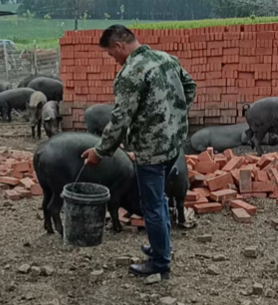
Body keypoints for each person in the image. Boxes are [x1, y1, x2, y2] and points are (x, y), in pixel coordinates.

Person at [81, 25, 196, 278]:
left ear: (120, 46)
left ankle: (160, 263)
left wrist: (100, 152)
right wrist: (174, 116)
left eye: (112, 54)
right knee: (161, 199)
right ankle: (160, 247)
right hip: (173, 144)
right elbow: (190, 86)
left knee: (152, 204)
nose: (114, 60)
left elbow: (120, 119)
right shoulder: (166, 58)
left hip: (151, 151)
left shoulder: (131, 73)